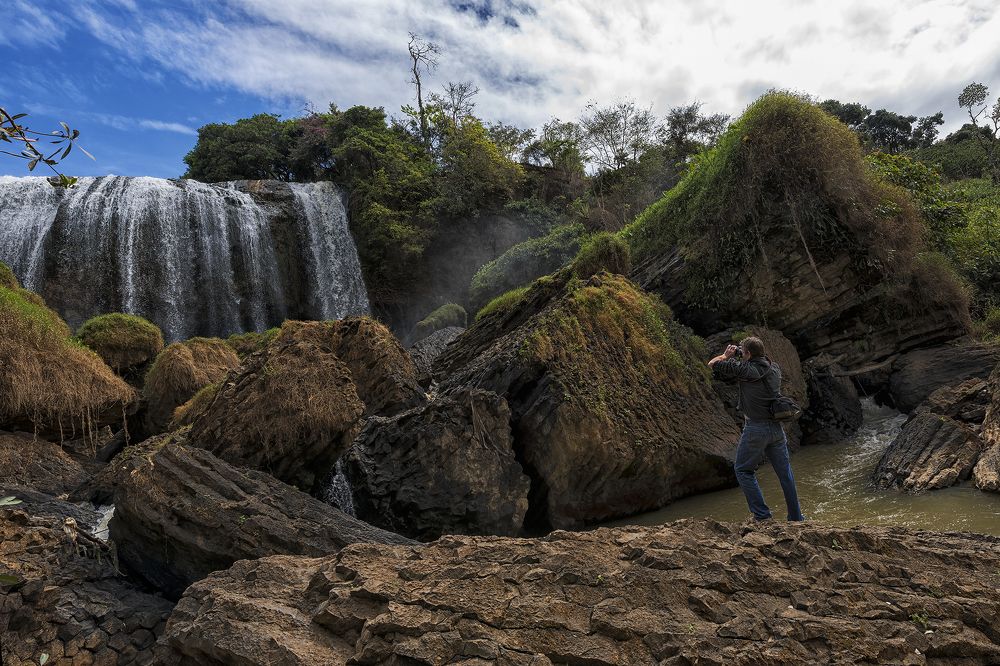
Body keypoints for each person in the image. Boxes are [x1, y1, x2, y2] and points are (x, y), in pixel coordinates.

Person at [708, 336, 805, 522]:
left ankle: (762, 515)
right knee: (785, 474)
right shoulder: (774, 368)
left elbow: (712, 364)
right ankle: (796, 517)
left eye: (742, 351)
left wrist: (726, 355)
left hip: (755, 429)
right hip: (777, 429)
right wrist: (745, 353)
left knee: (743, 470)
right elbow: (760, 360)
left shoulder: (744, 369)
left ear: (748, 354)